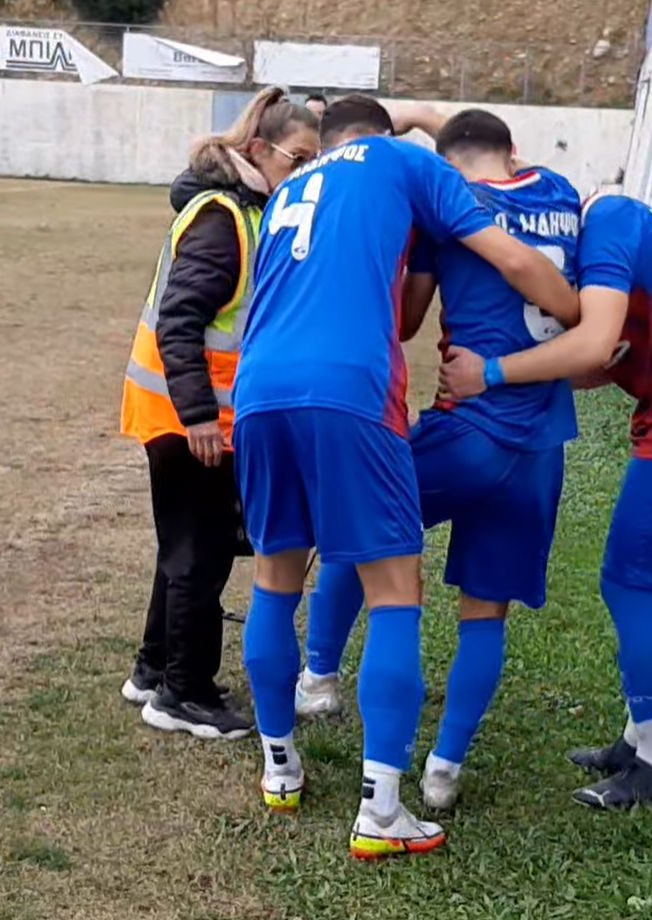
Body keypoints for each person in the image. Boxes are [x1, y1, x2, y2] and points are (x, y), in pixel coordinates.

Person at [235, 95, 579, 858]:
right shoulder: (407, 163)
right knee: (396, 587)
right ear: (385, 137)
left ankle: (280, 767)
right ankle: (382, 809)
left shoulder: (290, 188)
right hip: (353, 389)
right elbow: (513, 260)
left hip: (259, 390)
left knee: (274, 576)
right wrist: (578, 314)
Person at [440, 191, 652, 808]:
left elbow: (590, 354)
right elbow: (597, 361)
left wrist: (492, 372)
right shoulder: (627, 221)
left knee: (631, 581)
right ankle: (637, 737)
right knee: (629, 577)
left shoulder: (608, 220)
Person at [119, 87, 320, 741]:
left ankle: (154, 670)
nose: (308, 174)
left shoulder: (250, 209)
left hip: (192, 413)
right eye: (301, 159)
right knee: (198, 555)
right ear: (259, 150)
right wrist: (202, 416)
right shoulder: (222, 219)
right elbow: (181, 320)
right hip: (189, 419)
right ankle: (186, 694)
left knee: (182, 548)